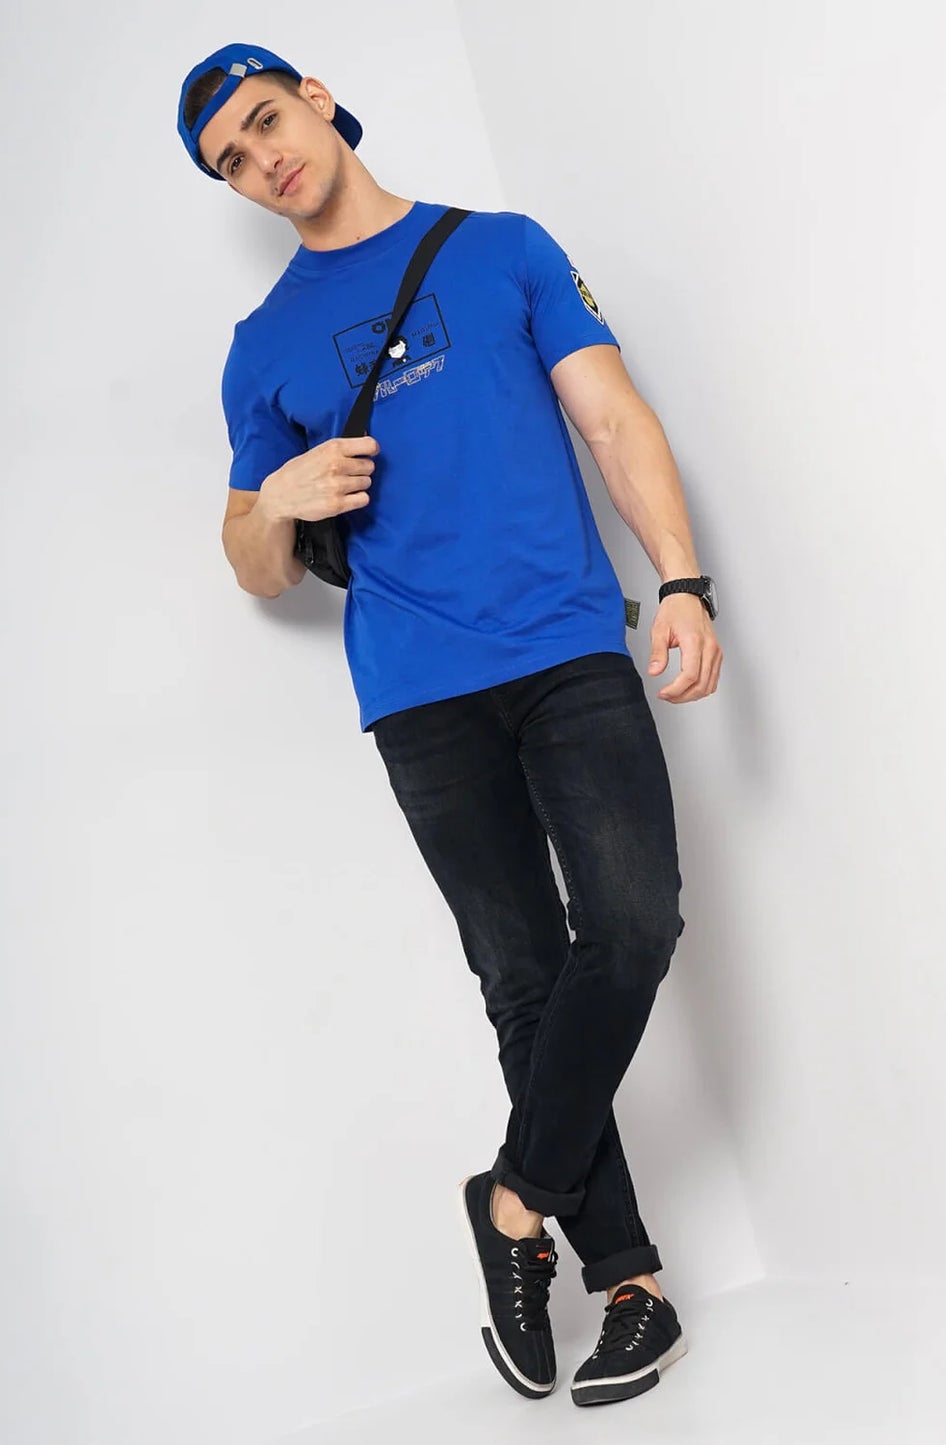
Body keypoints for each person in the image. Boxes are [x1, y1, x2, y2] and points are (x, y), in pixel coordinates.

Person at [176, 42, 722, 1408]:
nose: (263, 161)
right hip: (417, 690)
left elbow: (612, 419)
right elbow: (252, 565)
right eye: (233, 162)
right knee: (522, 978)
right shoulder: (262, 347)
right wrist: (275, 499)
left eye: (265, 123)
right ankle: (632, 1285)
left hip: (563, 648)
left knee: (634, 925)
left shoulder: (501, 248)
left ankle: (512, 1201)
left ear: (315, 98)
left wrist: (681, 579)